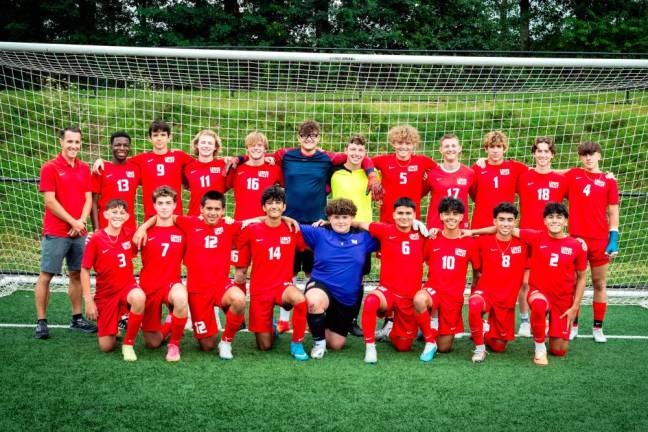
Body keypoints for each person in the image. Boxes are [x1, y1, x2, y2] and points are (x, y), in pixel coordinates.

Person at [237, 120, 379, 334]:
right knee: (289, 269)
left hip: (316, 223)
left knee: (315, 270)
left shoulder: (327, 158)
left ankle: (315, 313)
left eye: (312, 136)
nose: (309, 139)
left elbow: (360, 156)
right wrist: (239, 158)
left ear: (318, 138)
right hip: (290, 222)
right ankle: (285, 319)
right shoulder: (286, 154)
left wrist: (372, 174)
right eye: (305, 136)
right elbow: (257, 154)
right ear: (299, 138)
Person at [465, 202, 588, 366]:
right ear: (544, 220)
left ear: (566, 221)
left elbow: (582, 277)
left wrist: (575, 307)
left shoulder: (576, 245)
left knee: (559, 351)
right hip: (539, 292)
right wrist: (472, 231)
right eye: (550, 217)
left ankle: (542, 330)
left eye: (559, 217)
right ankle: (539, 349)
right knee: (538, 304)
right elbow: (502, 228)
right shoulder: (535, 236)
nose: (555, 221)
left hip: (563, 300)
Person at [134, 191, 248, 359]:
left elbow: (256, 220)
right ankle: (171, 324)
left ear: (224, 210)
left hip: (220, 286)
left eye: (217, 209)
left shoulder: (228, 225)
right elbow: (167, 216)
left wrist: (286, 219)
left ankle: (226, 342)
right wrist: (142, 227)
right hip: (197, 291)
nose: (213, 212)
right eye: (208, 208)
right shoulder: (189, 223)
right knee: (204, 345)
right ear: (201, 209)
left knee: (239, 299)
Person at [35, 126, 96, 339]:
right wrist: (72, 221)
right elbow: (50, 201)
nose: (73, 146)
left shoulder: (84, 167)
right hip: (56, 231)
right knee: (46, 275)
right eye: (69, 141)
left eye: (77, 142)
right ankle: (41, 322)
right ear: (61, 142)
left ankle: (77, 318)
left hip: (78, 230)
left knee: (77, 273)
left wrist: (80, 222)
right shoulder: (50, 167)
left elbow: (88, 198)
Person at [237, 185, 309, 360]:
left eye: (278, 203)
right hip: (260, 289)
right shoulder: (252, 230)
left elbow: (306, 247)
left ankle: (297, 343)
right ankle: (273, 328)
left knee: (300, 300)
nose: (274, 206)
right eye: (269, 203)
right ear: (264, 207)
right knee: (264, 346)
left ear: (284, 207)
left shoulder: (292, 229)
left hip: (282, 286)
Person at [303, 199, 379, 359]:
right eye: (336, 217)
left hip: (346, 298)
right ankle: (318, 343)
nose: (341, 221)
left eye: (345, 217)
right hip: (321, 287)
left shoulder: (364, 238)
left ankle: (315, 321)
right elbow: (288, 225)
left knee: (337, 344)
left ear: (352, 218)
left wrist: (416, 224)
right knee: (313, 301)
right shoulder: (319, 233)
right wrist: (250, 221)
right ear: (329, 218)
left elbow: (391, 233)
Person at [353, 197, 426, 363]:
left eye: (408, 213)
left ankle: (392, 330)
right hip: (388, 292)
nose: (404, 217)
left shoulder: (423, 234)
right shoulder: (384, 230)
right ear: (393, 214)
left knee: (403, 346)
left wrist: (432, 229)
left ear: (415, 215)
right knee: (371, 300)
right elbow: (358, 224)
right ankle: (370, 347)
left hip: (409, 296)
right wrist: (328, 223)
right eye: (400, 213)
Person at [564, 141, 620, 342]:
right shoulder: (573, 175)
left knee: (599, 283)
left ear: (599, 156)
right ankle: (573, 325)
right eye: (584, 154)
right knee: (573, 283)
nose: (588, 158)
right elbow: (550, 172)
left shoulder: (609, 181)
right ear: (580, 157)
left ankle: (598, 328)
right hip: (575, 240)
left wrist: (614, 238)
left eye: (592, 154)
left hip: (599, 240)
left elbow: (613, 211)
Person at [413, 197, 480, 361]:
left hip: (453, 297)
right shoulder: (432, 238)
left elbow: (477, 272)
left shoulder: (469, 243)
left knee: (444, 348)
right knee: (419, 299)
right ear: (441, 216)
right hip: (433, 290)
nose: (451, 217)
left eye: (455, 214)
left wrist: (474, 292)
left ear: (462, 217)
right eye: (447, 213)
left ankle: (430, 329)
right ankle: (429, 341)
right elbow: (419, 262)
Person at [81, 199, 146, 361]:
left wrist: (143, 228)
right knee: (106, 347)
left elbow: (151, 231)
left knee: (139, 297)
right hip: (106, 294)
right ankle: (117, 320)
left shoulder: (131, 234)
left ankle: (128, 343)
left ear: (127, 216)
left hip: (127, 287)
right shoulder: (95, 239)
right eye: (114, 212)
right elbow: (84, 270)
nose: (118, 216)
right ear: (106, 214)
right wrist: (88, 300)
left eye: (122, 213)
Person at [515, 137, 567, 337]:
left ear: (552, 155)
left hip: (551, 238)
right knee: (525, 282)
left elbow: (580, 194)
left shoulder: (561, 180)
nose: (543, 155)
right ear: (534, 154)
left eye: (547, 151)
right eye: (539, 151)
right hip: (526, 236)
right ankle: (525, 321)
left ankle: (546, 318)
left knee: (549, 280)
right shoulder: (524, 177)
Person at [93, 120, 194, 219]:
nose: (159, 139)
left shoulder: (179, 156)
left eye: (163, 135)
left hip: (174, 214)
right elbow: (120, 162)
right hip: (151, 215)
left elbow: (198, 167)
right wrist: (101, 161)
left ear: (169, 137)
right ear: (149, 138)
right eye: (155, 135)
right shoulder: (141, 159)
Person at [467, 202, 528, 363]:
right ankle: (480, 349)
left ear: (515, 222)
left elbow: (549, 238)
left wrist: (577, 240)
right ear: (494, 222)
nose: (505, 223)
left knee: (499, 347)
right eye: (501, 219)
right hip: (486, 293)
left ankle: (485, 327)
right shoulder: (483, 241)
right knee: (474, 303)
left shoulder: (524, 243)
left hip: (506, 299)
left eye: (509, 220)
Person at [227, 131, 283, 294]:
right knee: (240, 274)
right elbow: (223, 185)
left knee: (267, 273)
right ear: (247, 149)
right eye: (252, 145)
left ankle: (266, 315)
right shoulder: (237, 169)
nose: (256, 148)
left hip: (267, 227)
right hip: (242, 227)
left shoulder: (274, 169)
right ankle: (238, 316)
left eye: (259, 145)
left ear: (265, 148)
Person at [329, 134, 374, 337]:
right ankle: (332, 315)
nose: (356, 154)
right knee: (336, 273)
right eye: (352, 150)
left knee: (359, 277)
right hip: (337, 227)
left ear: (365, 154)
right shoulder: (334, 171)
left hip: (362, 231)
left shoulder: (372, 173)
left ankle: (352, 320)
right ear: (346, 151)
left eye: (360, 151)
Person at [137, 186, 189, 362]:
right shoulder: (142, 232)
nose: (164, 207)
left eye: (168, 203)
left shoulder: (183, 231)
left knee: (181, 297)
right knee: (153, 343)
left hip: (171, 284)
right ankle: (168, 324)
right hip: (148, 286)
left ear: (175, 205)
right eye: (160, 203)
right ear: (154, 206)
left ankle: (174, 345)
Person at [372, 124, 438, 224]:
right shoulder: (383, 161)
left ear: (414, 144)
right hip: (388, 218)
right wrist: (373, 179)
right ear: (393, 143)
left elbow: (440, 171)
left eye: (408, 143)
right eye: (399, 143)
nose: (403, 147)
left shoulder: (423, 161)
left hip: (412, 219)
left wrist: (427, 177)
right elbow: (364, 163)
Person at [470, 131, 527, 229]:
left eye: (499, 147)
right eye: (492, 147)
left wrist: (562, 172)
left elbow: (539, 172)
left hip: (505, 225)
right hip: (481, 223)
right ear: (486, 149)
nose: (495, 151)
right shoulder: (477, 168)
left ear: (504, 149)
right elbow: (473, 195)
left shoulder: (515, 167)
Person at [424, 133, 475, 230]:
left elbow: (476, 197)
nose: (450, 149)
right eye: (446, 146)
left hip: (460, 227)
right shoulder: (431, 174)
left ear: (459, 148)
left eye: (453, 146)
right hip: (436, 227)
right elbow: (419, 194)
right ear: (441, 150)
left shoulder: (470, 173)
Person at [90, 131, 139, 231]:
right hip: (106, 226)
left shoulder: (136, 168)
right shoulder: (100, 169)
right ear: (111, 147)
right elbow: (93, 202)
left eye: (125, 145)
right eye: (117, 145)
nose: (121, 148)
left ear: (129, 147)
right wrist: (96, 229)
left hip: (129, 226)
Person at [183, 129, 227, 216]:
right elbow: (186, 185)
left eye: (210, 143)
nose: (206, 146)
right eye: (203, 142)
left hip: (216, 217)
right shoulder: (188, 167)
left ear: (216, 147)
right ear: (196, 145)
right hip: (194, 216)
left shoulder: (223, 165)